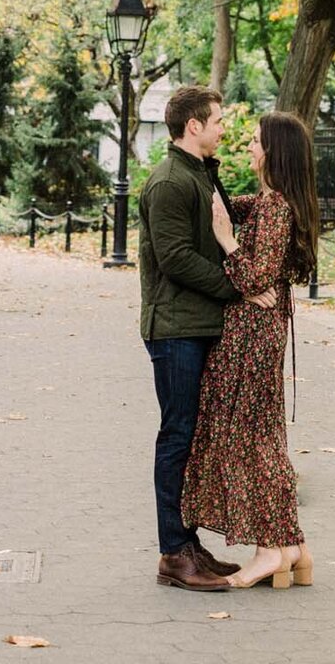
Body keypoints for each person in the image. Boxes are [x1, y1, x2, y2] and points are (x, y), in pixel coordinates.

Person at [138, 85, 277, 593]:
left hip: (199, 324)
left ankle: (188, 544)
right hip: (175, 329)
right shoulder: (169, 181)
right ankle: (173, 553)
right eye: (216, 120)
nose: (223, 128)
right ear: (192, 126)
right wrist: (238, 287)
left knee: (192, 437)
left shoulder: (200, 172)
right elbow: (174, 256)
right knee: (177, 436)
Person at [181, 110, 319, 590]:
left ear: (275, 152)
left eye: (257, 142)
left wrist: (226, 242)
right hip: (257, 331)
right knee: (261, 437)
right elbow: (222, 204)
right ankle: (293, 547)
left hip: (251, 338)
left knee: (250, 440)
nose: (250, 148)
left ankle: (269, 550)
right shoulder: (269, 201)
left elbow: (255, 276)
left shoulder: (276, 205)